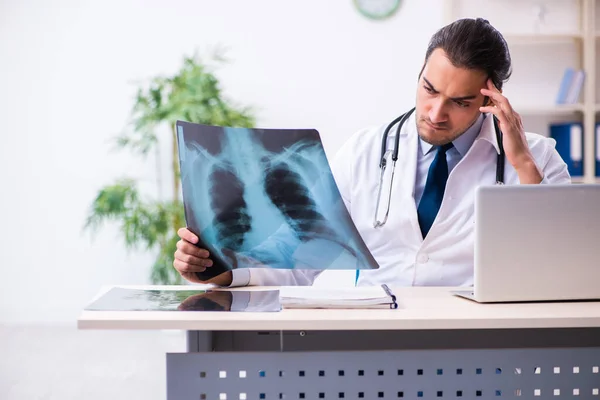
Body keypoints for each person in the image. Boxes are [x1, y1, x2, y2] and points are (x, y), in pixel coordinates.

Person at [173, 17, 571, 288]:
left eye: (460, 102)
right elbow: (300, 257)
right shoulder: (366, 151)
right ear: (419, 74)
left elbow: (559, 267)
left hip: (485, 349)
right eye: (429, 90)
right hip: (378, 351)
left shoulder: (538, 159)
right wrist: (221, 270)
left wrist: (522, 165)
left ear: (492, 97)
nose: (435, 113)